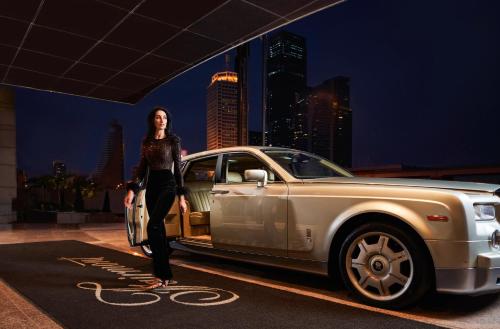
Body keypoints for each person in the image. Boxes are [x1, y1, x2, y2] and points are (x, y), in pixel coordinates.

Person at [124, 106, 187, 289]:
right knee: (158, 230)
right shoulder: (147, 142)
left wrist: (181, 196)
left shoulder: (173, 140)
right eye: (158, 117)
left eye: (165, 117)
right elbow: (142, 168)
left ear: (168, 121)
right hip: (152, 186)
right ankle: (163, 276)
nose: (162, 120)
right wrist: (132, 190)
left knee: (152, 226)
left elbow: (179, 168)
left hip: (168, 184)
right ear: (153, 120)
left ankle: (162, 275)